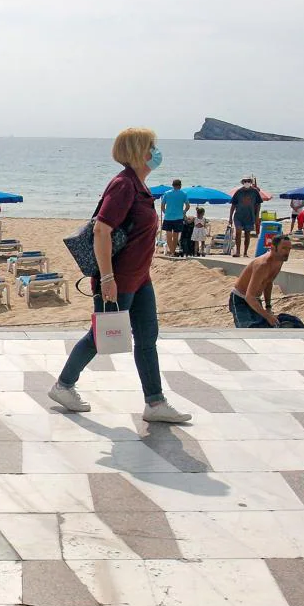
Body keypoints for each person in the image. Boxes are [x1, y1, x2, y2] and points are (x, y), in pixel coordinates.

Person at [48, 128, 190, 424]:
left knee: (147, 337)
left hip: (140, 277)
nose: (156, 152)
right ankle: (63, 385)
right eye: (152, 147)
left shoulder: (139, 185)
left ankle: (155, 402)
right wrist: (108, 278)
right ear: (140, 151)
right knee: (100, 337)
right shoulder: (123, 185)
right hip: (119, 278)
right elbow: (102, 229)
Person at [229, 235, 304, 328]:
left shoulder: (279, 260)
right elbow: (249, 297)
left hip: (255, 300)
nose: (287, 252)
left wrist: (268, 308)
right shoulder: (262, 265)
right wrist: (267, 316)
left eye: (289, 249)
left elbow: (268, 283)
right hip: (240, 299)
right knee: (248, 329)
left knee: (288, 323)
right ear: (273, 248)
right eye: (284, 248)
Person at [228, 177, 263, 257]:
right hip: (238, 216)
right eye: (245, 181)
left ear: (250, 182)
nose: (246, 182)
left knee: (247, 234)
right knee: (238, 232)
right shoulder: (239, 192)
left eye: (248, 181)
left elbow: (258, 204)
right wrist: (230, 217)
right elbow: (233, 205)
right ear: (242, 182)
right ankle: (238, 252)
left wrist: (257, 215)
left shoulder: (255, 192)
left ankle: (245, 253)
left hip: (250, 216)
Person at [160, 179, 188, 256]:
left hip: (168, 217)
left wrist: (166, 212)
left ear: (172, 185)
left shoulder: (167, 193)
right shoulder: (183, 194)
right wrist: (184, 212)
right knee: (175, 236)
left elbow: (162, 206)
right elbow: (188, 206)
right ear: (180, 185)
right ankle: (173, 252)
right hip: (178, 217)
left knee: (168, 236)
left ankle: (171, 252)